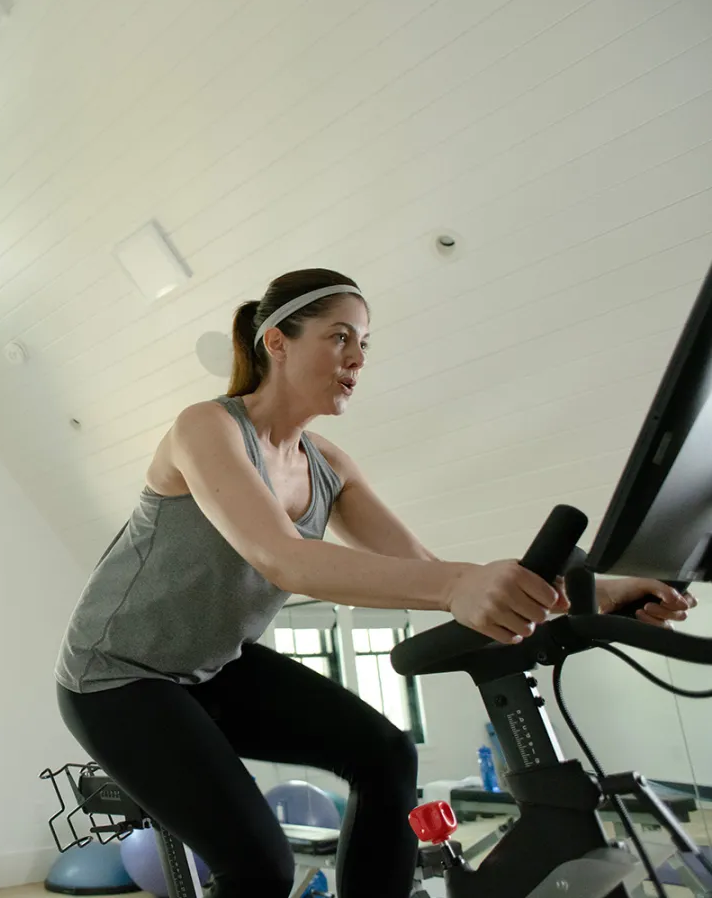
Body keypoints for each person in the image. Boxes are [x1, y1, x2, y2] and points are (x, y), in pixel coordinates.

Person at [54, 268, 696, 898]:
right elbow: (286, 560)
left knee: (386, 754)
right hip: (118, 675)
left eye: (364, 344)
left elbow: (422, 567)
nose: (358, 358)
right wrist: (456, 587)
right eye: (340, 337)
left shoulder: (327, 464)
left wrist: (598, 592)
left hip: (213, 667)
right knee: (258, 870)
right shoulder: (208, 428)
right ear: (277, 341)